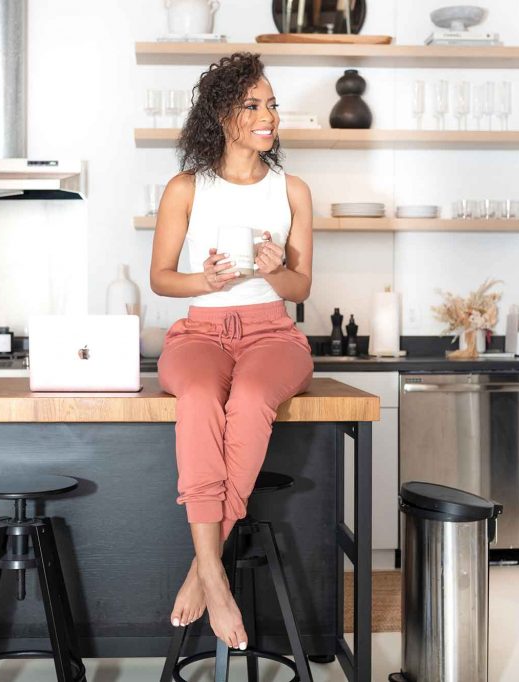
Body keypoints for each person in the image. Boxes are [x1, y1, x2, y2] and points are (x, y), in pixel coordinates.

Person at [149, 52, 315, 652]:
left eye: (271, 103)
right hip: (200, 333)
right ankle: (214, 572)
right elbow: (162, 278)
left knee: (248, 399)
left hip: (273, 333)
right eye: (252, 104)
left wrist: (276, 272)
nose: (268, 115)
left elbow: (302, 288)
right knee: (196, 398)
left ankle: (204, 568)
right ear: (222, 114)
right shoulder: (186, 188)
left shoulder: (292, 190)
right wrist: (207, 282)